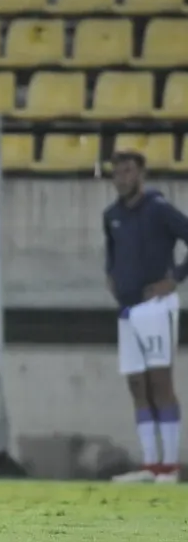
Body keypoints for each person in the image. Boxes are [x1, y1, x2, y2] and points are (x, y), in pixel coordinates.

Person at [105, 151, 188, 483]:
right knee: (136, 385)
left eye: (128, 171)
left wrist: (175, 278)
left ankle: (170, 466)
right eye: (117, 172)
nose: (122, 178)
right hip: (126, 310)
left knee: (160, 382)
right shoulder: (110, 215)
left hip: (156, 307)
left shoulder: (159, 209)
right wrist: (110, 276)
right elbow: (111, 253)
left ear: (141, 174)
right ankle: (150, 464)